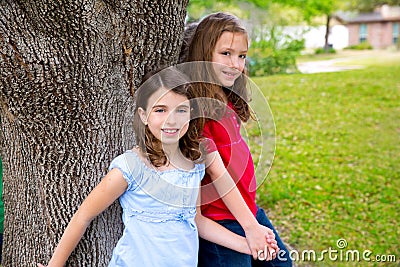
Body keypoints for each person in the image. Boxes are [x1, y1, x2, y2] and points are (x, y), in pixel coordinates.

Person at [37, 67, 265, 267]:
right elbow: (84, 215)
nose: (171, 120)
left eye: (181, 110)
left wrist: (246, 245)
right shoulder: (132, 168)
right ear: (143, 115)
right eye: (160, 110)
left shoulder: (193, 166)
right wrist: (55, 264)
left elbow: (195, 220)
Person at [181, 12, 293, 266]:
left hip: (248, 210)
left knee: (282, 263)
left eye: (241, 56)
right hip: (221, 220)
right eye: (226, 54)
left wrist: (252, 221)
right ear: (204, 52)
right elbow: (218, 176)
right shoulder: (196, 112)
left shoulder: (225, 96)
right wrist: (250, 227)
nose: (235, 64)